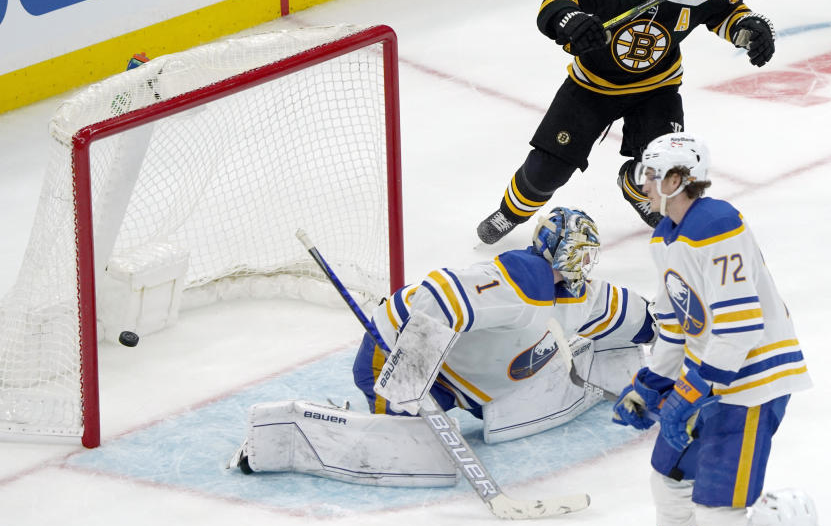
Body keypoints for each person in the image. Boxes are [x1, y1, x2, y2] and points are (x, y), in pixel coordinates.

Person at [228, 207, 656, 486]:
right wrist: (411, 372)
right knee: (402, 438)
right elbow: (437, 297)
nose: (583, 265)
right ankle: (286, 434)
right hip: (395, 348)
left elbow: (636, 317)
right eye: (576, 254)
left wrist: (673, 338)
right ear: (553, 250)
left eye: (588, 256)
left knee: (432, 427)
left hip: (460, 381)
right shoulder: (524, 279)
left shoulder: (585, 297)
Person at [477, 0, 776, 244]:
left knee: (665, 168)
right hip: (592, 86)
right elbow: (555, 1)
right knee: (548, 170)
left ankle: (634, 185)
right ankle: (509, 213)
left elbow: (731, 13)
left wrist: (752, 31)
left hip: (657, 89)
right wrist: (571, 20)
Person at [611, 133, 814, 526]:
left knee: (717, 511)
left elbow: (740, 328)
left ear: (678, 180)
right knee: (669, 482)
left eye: (652, 174)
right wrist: (649, 386)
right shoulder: (663, 238)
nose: (644, 184)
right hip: (712, 378)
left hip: (753, 382)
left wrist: (691, 389)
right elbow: (674, 326)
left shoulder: (717, 225)